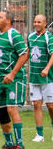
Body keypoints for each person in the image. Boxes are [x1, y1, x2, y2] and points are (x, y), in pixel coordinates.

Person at [0, 8, 29, 149]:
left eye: (0, 17)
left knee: (11, 108)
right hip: (2, 80)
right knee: (2, 111)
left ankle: (19, 145)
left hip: (15, 79)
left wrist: (13, 73)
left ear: (8, 20)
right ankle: (8, 144)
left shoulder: (14, 35)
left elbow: (24, 54)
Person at [27, 14, 53, 142]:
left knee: (50, 106)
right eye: (35, 21)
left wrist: (47, 68)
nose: (36, 24)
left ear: (45, 23)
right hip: (34, 77)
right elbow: (27, 53)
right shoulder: (30, 36)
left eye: (39, 22)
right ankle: (39, 135)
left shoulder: (49, 37)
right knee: (36, 104)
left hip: (47, 78)